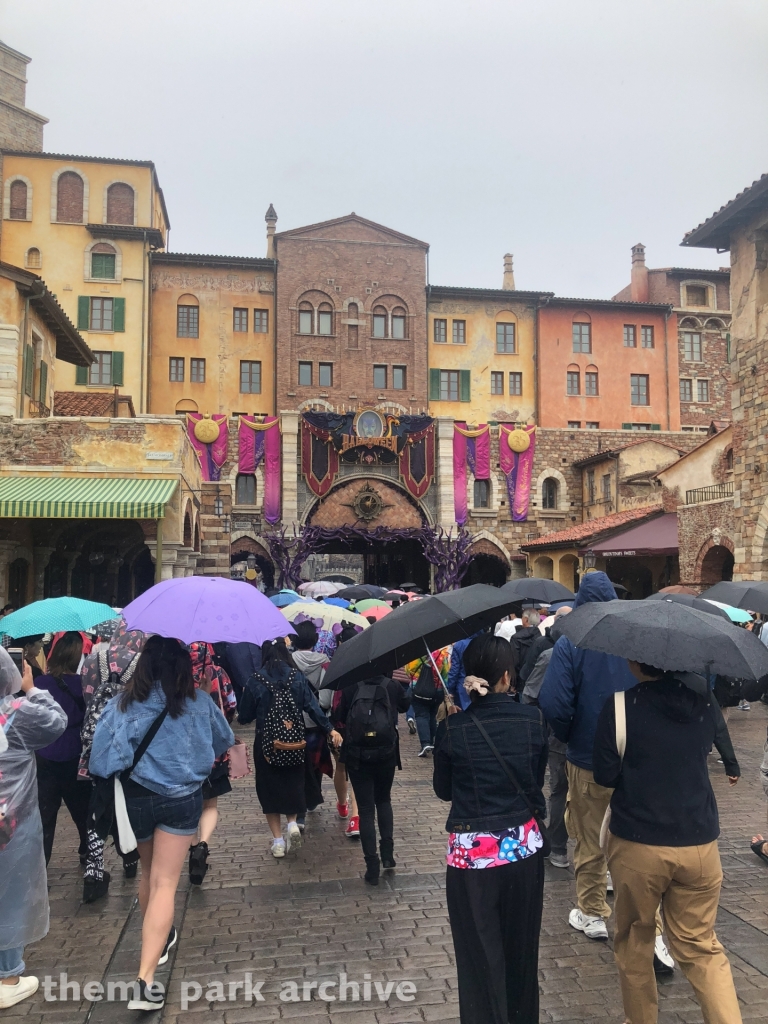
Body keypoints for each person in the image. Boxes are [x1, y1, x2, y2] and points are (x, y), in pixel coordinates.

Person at [90, 635, 234, 1012]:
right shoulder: (198, 703)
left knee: (149, 876)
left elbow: (99, 761)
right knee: (166, 884)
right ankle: (145, 979)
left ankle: (156, 943)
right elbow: (224, 741)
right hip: (181, 800)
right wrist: (204, 699)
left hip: (137, 799)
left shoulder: (121, 705)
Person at [593, 660, 743, 1024]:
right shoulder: (704, 702)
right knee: (701, 947)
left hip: (638, 842)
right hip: (700, 843)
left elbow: (605, 775)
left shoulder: (619, 706)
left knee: (635, 941)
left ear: (635, 661)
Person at [433, 634, 548, 1024]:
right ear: (505, 676)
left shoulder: (452, 729)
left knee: (479, 959)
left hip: (471, 858)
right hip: (522, 851)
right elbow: (533, 778)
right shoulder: (534, 720)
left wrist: (449, 731)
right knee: (521, 953)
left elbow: (443, 790)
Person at [539, 572, 637, 942]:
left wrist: (569, 735)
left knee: (590, 837)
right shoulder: (633, 639)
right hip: (634, 756)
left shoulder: (572, 643)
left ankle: (593, 911)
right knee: (635, 839)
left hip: (588, 756)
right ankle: (645, 920)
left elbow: (554, 701)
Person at [0, 649, 67, 1009]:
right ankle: (7, 976)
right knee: (10, 894)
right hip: (11, 824)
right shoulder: (15, 715)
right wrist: (32, 689)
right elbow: (56, 721)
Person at [238, 640, 342, 858]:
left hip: (267, 744)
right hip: (295, 741)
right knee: (294, 784)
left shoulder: (256, 679)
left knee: (268, 790)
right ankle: (293, 823)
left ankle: (277, 841)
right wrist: (329, 729)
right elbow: (313, 708)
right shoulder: (297, 677)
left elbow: (245, 716)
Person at [79, 621, 146, 901]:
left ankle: (94, 865)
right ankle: (130, 856)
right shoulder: (141, 664)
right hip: (129, 744)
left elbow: (87, 698)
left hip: (96, 744)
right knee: (125, 801)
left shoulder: (94, 660)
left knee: (100, 800)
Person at [335, 668, 410, 884]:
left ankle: (371, 866)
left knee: (366, 809)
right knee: (384, 800)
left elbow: (339, 716)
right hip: (386, 752)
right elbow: (405, 706)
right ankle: (388, 855)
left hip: (358, 755)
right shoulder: (392, 685)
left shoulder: (351, 687)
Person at [520, 606, 572, 871]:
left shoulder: (552, 656)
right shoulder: (602, 655)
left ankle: (559, 847)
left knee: (560, 791)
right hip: (586, 739)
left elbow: (529, 695)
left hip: (559, 737)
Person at [33, 631, 90, 867]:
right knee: (82, 813)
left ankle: (41, 865)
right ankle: (88, 853)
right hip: (74, 753)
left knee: (45, 815)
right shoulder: (83, 685)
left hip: (45, 752)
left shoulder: (40, 684)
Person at [188, 642, 237, 884]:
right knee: (209, 805)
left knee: (187, 808)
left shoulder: (175, 676)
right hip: (214, 751)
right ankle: (203, 843)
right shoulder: (217, 673)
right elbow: (231, 704)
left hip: (183, 753)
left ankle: (192, 845)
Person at [289, 622, 334, 825]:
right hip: (316, 723)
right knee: (315, 763)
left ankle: (298, 813)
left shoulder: (288, 661)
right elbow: (325, 701)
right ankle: (312, 799)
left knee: (296, 765)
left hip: (292, 723)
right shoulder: (325, 662)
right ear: (315, 641)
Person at [406, 648, 450, 757]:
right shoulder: (441, 653)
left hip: (419, 689)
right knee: (432, 715)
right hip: (437, 690)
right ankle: (432, 741)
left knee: (421, 715)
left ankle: (425, 743)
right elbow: (445, 673)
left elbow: (408, 670)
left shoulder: (414, 653)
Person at [508, 607, 542, 671]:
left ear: (526, 619)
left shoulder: (516, 638)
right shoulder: (541, 637)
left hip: (520, 674)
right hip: (536, 674)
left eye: (522, 617)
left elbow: (513, 661)